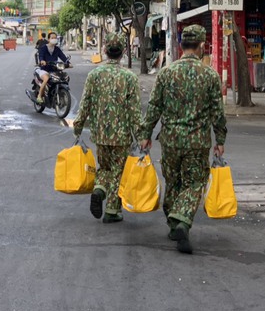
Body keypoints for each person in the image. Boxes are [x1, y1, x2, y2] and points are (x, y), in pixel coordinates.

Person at [139, 24, 227, 254]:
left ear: (180, 46)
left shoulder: (167, 72)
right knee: (194, 183)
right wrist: (220, 139)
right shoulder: (210, 75)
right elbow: (217, 112)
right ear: (201, 46)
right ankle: (183, 220)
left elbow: (154, 106)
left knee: (173, 181)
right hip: (197, 141)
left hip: (170, 140)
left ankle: (173, 224)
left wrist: (145, 135)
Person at [73, 33, 142, 224]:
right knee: (118, 171)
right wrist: (141, 135)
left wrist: (78, 126)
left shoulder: (94, 74)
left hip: (100, 133)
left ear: (105, 51)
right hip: (122, 135)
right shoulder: (129, 77)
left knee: (104, 167)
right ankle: (112, 211)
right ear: (122, 53)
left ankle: (99, 189)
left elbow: (85, 103)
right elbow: (135, 110)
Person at [36, 31, 69, 103]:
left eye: (55, 38)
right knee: (46, 78)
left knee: (64, 77)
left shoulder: (57, 49)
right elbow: (41, 56)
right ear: (48, 39)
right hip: (44, 70)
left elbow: (63, 57)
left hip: (54, 70)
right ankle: (39, 96)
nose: (54, 39)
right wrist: (42, 61)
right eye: (52, 38)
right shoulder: (43, 48)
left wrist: (68, 63)